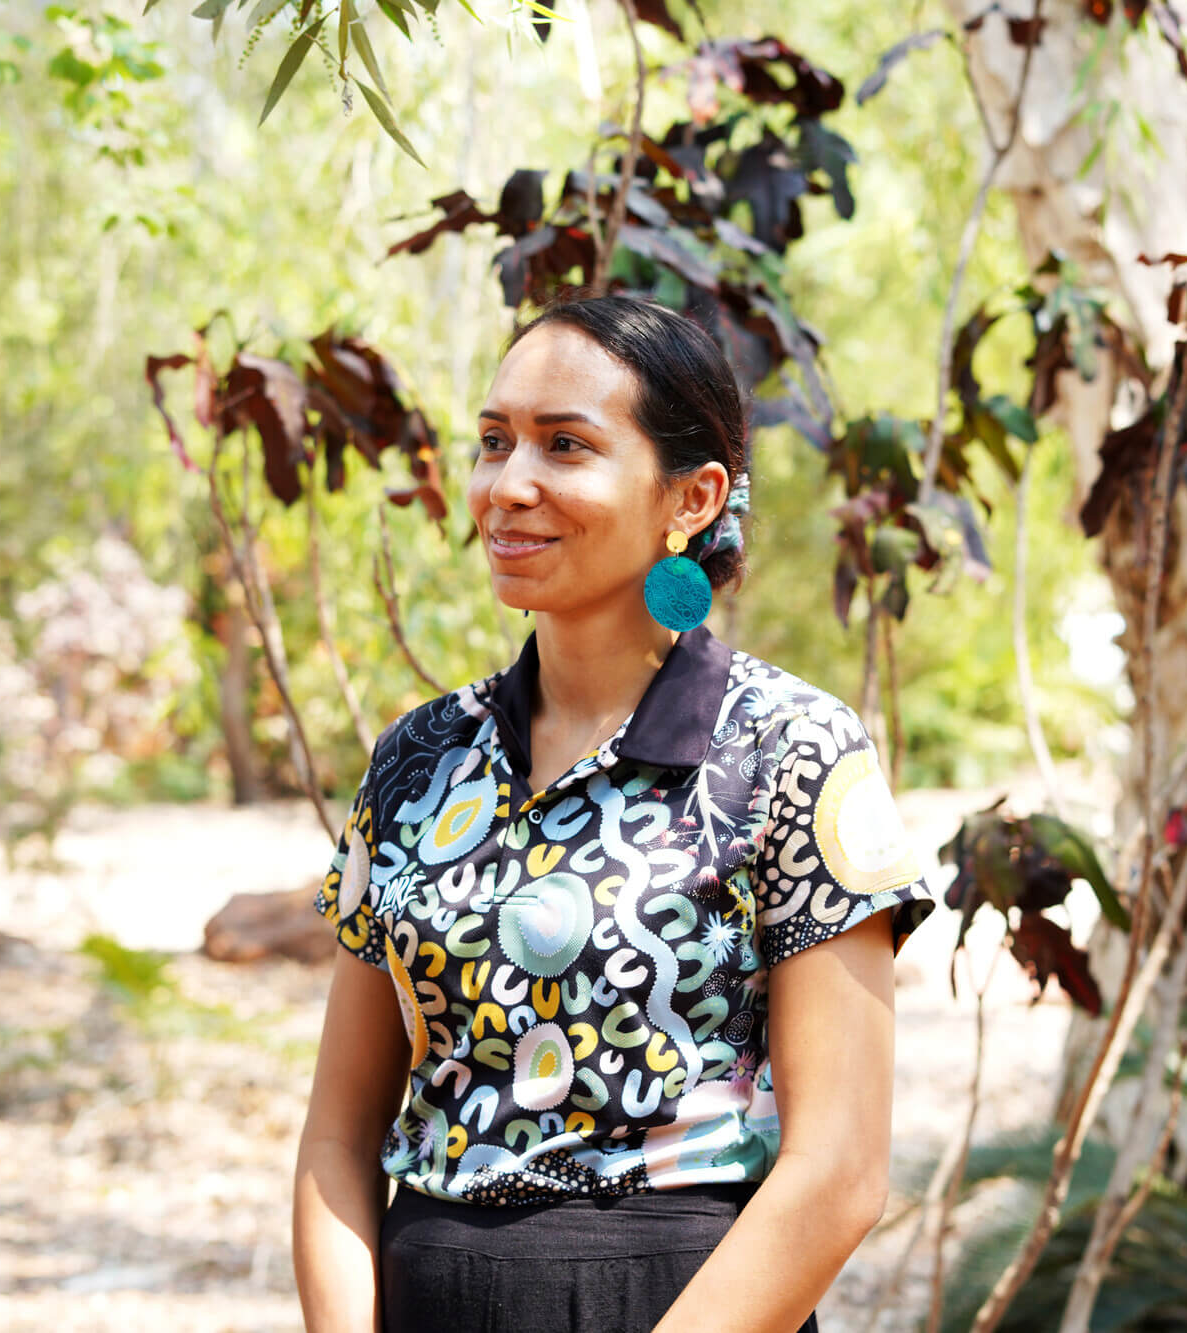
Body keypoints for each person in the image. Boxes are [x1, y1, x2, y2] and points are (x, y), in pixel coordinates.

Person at [291, 294, 935, 1333]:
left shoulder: (789, 751)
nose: (507, 486)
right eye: (493, 441)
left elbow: (839, 1174)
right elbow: (335, 1137)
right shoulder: (417, 759)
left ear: (691, 498)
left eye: (564, 445)